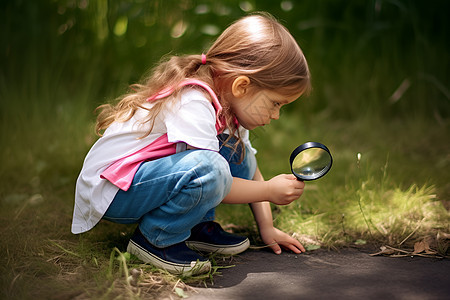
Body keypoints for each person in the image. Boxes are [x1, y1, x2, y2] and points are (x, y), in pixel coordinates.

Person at [71, 12, 310, 276]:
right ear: (242, 86)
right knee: (212, 169)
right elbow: (215, 177)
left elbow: (249, 169)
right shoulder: (194, 101)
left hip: (146, 181)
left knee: (238, 155)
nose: (276, 115)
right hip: (114, 191)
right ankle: (155, 240)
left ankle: (194, 226)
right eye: (275, 103)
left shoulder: (229, 109)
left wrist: (267, 227)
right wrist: (267, 191)